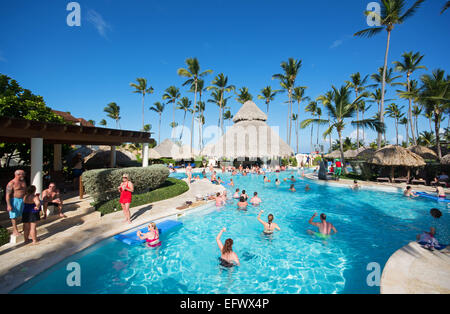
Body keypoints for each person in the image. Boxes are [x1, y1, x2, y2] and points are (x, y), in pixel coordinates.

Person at [5, 170, 27, 237]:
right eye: (22, 174)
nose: (24, 175)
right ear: (18, 174)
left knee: (24, 214)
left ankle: (24, 228)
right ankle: (15, 231)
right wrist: (8, 205)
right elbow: (7, 195)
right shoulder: (11, 183)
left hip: (23, 200)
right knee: (14, 216)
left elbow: (25, 191)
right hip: (14, 200)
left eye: (24, 174)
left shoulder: (23, 181)